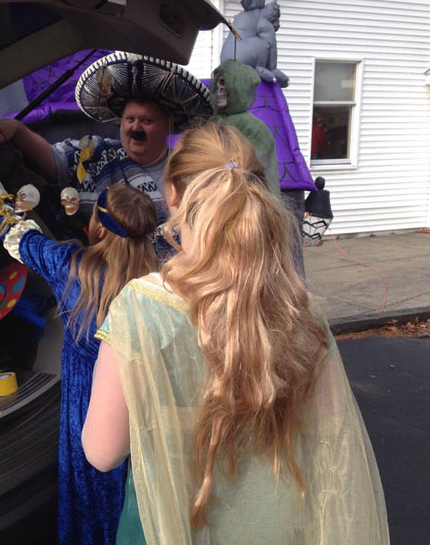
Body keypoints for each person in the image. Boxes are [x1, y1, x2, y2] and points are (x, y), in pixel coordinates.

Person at [82, 124, 389, 544]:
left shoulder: (141, 309)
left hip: (173, 525)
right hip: (280, 527)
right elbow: (334, 438)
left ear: (172, 195)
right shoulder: (298, 308)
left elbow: (102, 453)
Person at [0, 154, 159, 545]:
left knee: (88, 498)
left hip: (87, 411)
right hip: (142, 415)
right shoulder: (158, 284)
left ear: (98, 227)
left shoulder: (70, 266)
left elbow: (15, 234)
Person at [0, 52, 212, 232]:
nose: (135, 128)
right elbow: (54, 160)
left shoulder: (184, 171)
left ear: (167, 125)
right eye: (130, 119)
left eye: (146, 121)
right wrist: (17, 130)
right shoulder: (97, 152)